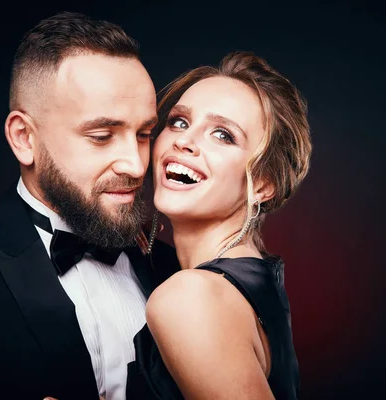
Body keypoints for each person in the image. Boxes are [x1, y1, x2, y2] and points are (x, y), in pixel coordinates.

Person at [0, 12, 178, 400]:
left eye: (145, 134)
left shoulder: (177, 271)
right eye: (101, 136)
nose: (136, 165)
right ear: (24, 138)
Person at [126, 51, 312, 399]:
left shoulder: (191, 297)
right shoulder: (257, 280)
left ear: (263, 183)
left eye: (223, 135)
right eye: (179, 122)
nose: (183, 141)